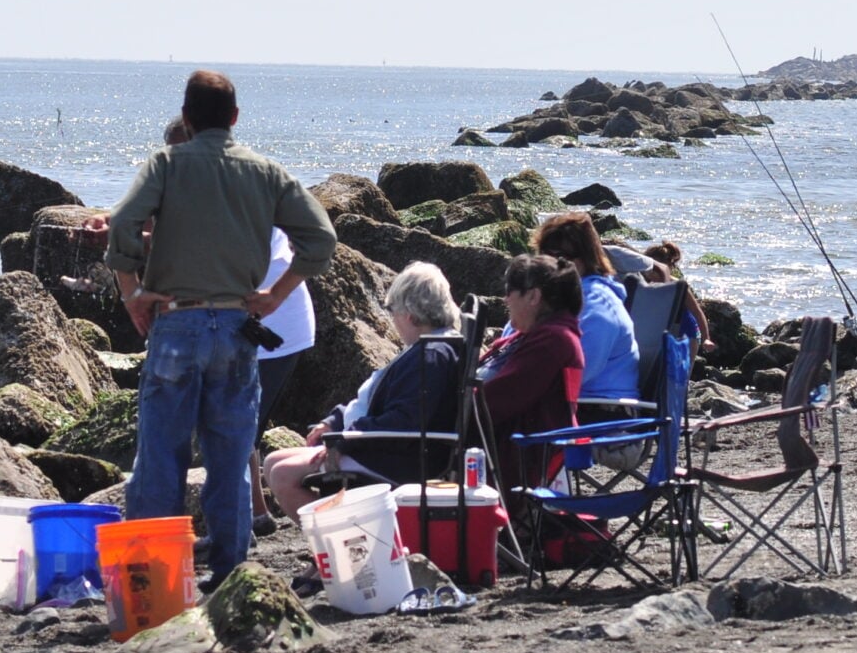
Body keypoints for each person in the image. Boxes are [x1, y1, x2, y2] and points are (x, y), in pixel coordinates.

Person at [106, 71, 335, 582]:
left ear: (186, 118)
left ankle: (156, 569)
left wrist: (131, 293)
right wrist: (275, 295)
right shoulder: (264, 172)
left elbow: (123, 224)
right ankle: (231, 569)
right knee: (230, 455)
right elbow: (320, 238)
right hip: (236, 322)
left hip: (178, 321)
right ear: (234, 118)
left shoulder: (166, 164)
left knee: (160, 452)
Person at [264, 262, 464, 516]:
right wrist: (334, 421)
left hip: (398, 460)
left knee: (283, 475)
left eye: (394, 312)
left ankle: (338, 545)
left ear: (410, 315)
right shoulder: (430, 347)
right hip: (381, 446)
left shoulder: (430, 356)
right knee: (272, 461)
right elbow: (376, 400)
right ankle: (339, 540)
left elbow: (404, 422)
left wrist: (345, 440)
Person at [476, 253, 586, 504]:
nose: (505, 299)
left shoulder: (553, 341)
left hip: (518, 458)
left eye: (509, 291)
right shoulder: (536, 335)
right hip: (502, 445)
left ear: (534, 296)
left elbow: (498, 401)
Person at [534, 212, 641, 404]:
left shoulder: (598, 306)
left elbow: (575, 374)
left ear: (586, 258)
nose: (550, 265)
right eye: (544, 256)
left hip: (598, 411)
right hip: (560, 405)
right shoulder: (549, 297)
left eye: (561, 258)